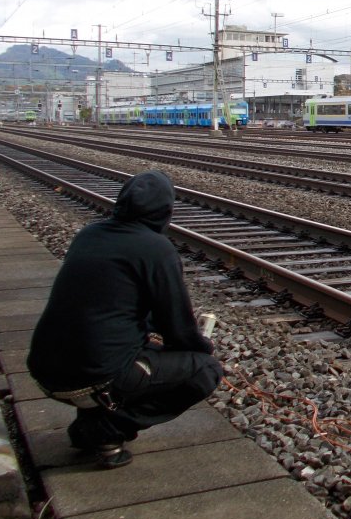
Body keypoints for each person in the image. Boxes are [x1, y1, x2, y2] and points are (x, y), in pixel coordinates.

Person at [27, 170, 223, 469]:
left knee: (109, 348)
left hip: (44, 371)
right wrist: (203, 347)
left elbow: (112, 308)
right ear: (165, 210)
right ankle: (107, 430)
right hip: (93, 380)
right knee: (205, 370)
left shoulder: (89, 234)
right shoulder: (156, 248)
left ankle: (88, 426)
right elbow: (178, 328)